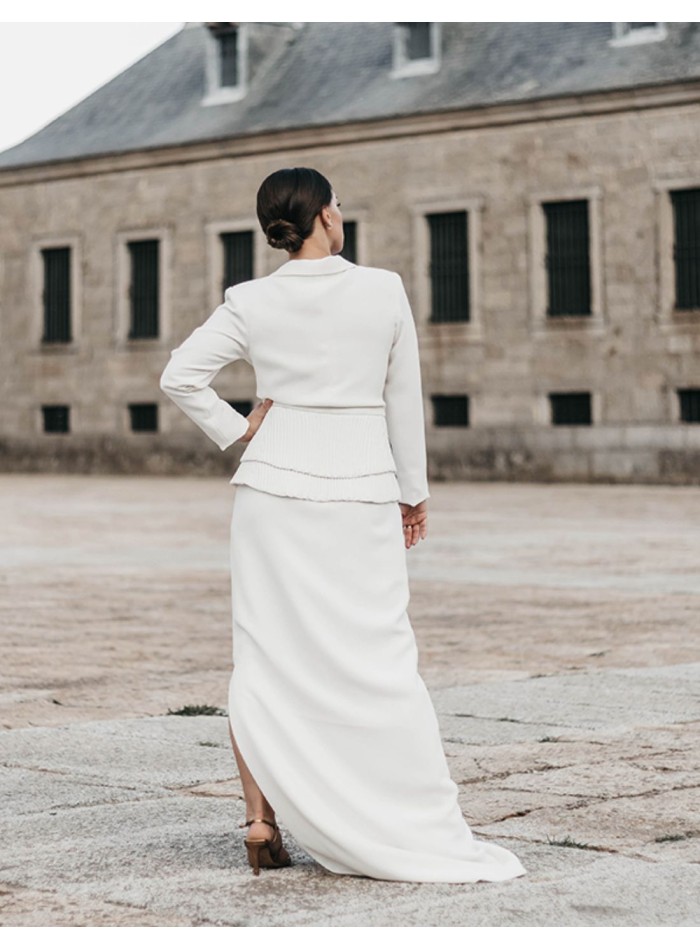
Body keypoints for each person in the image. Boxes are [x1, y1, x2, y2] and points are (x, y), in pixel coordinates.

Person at [159, 167, 527, 883]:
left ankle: (259, 820)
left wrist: (239, 430)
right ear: (328, 215)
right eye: (339, 205)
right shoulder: (383, 288)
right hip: (361, 488)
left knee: (264, 656)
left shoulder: (250, 300)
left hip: (272, 491)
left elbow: (180, 375)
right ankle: (394, 810)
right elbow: (401, 397)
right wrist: (412, 493)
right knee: (379, 656)